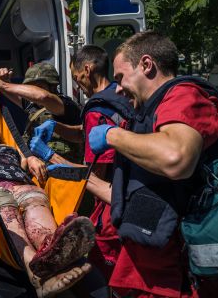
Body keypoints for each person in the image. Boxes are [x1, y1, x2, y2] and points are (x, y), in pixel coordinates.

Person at [88, 31, 218, 297]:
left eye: (120, 77)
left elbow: (176, 158)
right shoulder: (151, 112)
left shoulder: (184, 96)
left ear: (146, 65)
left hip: (182, 278)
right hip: (153, 274)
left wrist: (111, 135)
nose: (117, 88)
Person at [0, 114, 95, 298]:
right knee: (5, 208)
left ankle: (52, 251)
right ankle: (37, 277)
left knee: (36, 203)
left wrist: (31, 158)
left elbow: (26, 157)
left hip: (22, 184)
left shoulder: (9, 148)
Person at [30, 45, 133, 281]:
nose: (77, 85)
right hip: (125, 190)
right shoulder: (116, 97)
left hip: (111, 205)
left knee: (108, 272)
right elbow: (85, 133)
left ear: (87, 69)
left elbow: (95, 177)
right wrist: (56, 126)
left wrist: (49, 156)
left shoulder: (96, 108)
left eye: (77, 79)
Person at [0, 62, 84, 165]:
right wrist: (4, 81)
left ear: (53, 86)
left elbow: (43, 97)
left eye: (39, 86)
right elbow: (15, 94)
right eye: (30, 87)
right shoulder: (33, 106)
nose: (33, 90)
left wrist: (4, 85)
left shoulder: (63, 104)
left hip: (64, 172)